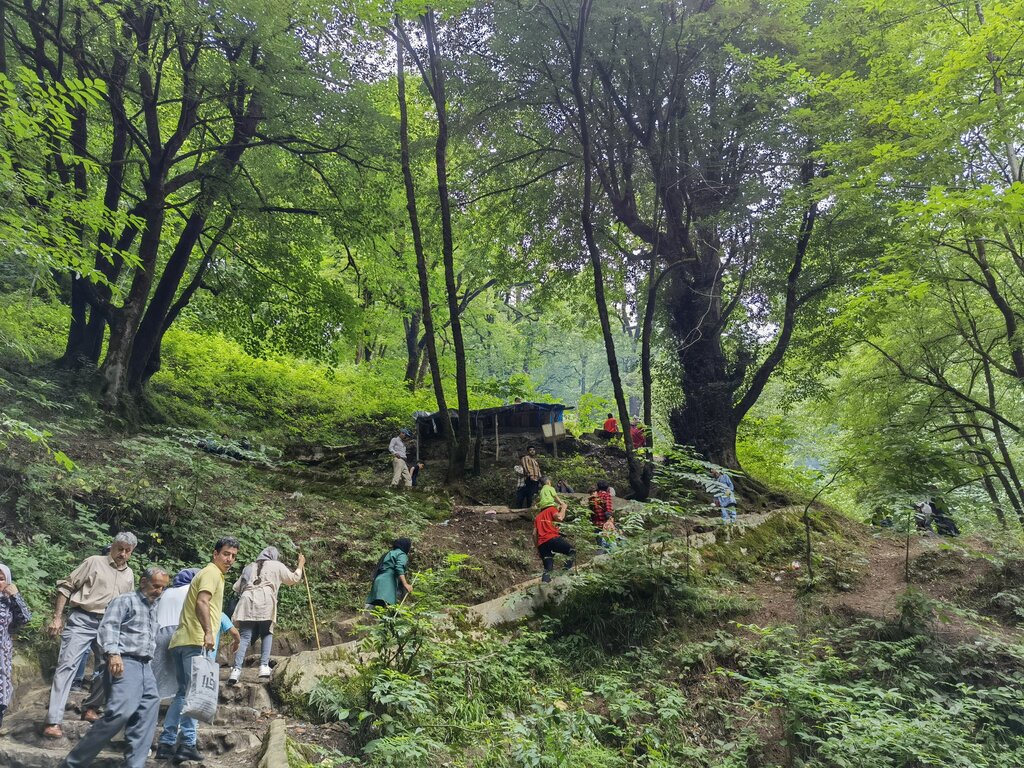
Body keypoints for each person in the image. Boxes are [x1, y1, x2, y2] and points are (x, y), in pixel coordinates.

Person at [58, 567, 170, 768]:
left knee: (145, 719)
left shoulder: (154, 606)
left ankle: (134, 765)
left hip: (146, 667)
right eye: (155, 586)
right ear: (143, 582)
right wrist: (113, 653)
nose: (159, 591)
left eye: (163, 588)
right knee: (119, 713)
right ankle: (72, 764)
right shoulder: (125, 600)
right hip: (125, 663)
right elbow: (108, 626)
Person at [43, 532, 138, 739]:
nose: (122, 554)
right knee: (67, 665)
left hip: (110, 626)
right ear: (112, 546)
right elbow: (66, 586)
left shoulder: (129, 575)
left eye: (127, 551)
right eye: (119, 548)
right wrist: (57, 617)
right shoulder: (94, 562)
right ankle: (53, 720)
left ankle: (91, 708)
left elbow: (128, 605)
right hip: (82, 618)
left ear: (131, 553)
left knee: (109, 667)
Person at [157, 536, 239, 763]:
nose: (229, 559)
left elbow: (209, 606)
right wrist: (209, 632)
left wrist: (230, 631)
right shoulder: (212, 573)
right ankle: (187, 744)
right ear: (215, 554)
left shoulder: (208, 573)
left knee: (182, 694)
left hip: (182, 641)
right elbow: (202, 602)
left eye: (233, 556)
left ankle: (165, 743)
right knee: (195, 693)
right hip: (196, 641)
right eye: (226, 554)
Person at [228, 547, 305, 684]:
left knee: (245, 636)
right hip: (265, 599)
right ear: (273, 556)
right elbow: (293, 579)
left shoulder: (249, 566)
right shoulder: (277, 565)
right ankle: (263, 666)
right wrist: (300, 564)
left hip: (247, 600)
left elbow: (236, 587)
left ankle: (236, 670)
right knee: (266, 633)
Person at [1, 562, 32, 729]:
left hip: (2, 656)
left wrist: (15, 595)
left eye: (1, 579)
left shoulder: (10, 603)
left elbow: (25, 619)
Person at [533, 494, 574, 583]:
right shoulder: (551, 509)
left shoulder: (538, 517)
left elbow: (534, 534)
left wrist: (538, 548)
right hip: (552, 538)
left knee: (548, 568)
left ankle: (544, 587)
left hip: (541, 544)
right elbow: (560, 517)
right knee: (571, 551)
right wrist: (564, 508)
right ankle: (564, 574)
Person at [366, 539, 413, 608]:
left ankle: (365, 617)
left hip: (379, 580)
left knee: (376, 607)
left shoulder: (388, 553)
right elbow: (399, 567)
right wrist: (405, 584)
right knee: (387, 608)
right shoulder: (402, 554)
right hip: (388, 582)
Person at [589, 481, 618, 552]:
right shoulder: (606, 496)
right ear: (608, 488)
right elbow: (608, 509)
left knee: (600, 545)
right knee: (609, 543)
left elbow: (592, 513)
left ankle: (598, 560)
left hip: (596, 524)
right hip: (605, 524)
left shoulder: (593, 497)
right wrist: (609, 521)